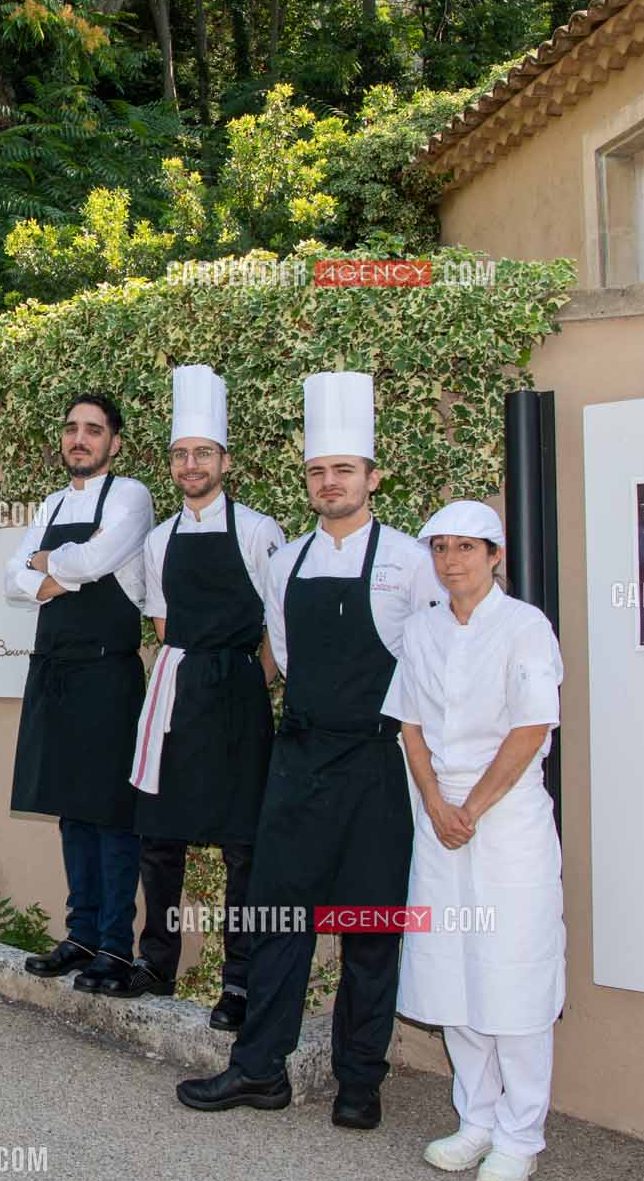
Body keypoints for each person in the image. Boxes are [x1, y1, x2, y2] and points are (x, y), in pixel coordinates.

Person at [178, 371, 446, 1129]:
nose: (329, 483)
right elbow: (287, 656)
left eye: (343, 471)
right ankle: (259, 1069)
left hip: (375, 764)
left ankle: (361, 1081)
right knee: (276, 920)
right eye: (318, 472)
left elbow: (431, 665)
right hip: (297, 762)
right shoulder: (285, 560)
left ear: (372, 477)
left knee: (369, 929)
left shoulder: (412, 559)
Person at [386, 500, 565, 1181]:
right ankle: (476, 1120)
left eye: (466, 547)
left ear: (496, 556)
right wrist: (436, 804)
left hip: (507, 819)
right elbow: (410, 726)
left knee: (513, 970)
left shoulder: (525, 628)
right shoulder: (423, 630)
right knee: (452, 968)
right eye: (441, 547)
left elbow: (530, 730)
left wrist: (472, 808)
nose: (451, 559)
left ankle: (521, 1135)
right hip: (438, 820)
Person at [123, 366, 283, 1021]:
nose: (192, 464)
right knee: (160, 839)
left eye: (203, 454)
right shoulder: (157, 541)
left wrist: (251, 679)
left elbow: (279, 623)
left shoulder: (259, 530)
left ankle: (239, 981)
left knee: (243, 845)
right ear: (172, 463)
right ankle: (156, 962)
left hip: (239, 693)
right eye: (182, 454)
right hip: (178, 691)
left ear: (225, 460)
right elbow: (163, 624)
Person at [5, 395, 155, 995]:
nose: (80, 438)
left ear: (114, 442)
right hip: (56, 670)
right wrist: (54, 568)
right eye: (71, 428)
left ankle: (116, 948)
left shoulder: (131, 495)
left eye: (93, 430)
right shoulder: (50, 502)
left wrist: (46, 564)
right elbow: (11, 578)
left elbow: (99, 559)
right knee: (72, 810)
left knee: (112, 814)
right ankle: (82, 936)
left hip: (106, 672)